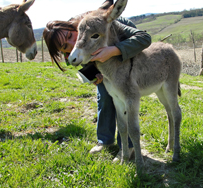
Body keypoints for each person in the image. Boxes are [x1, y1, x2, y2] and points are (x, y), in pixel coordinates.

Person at [43, 11, 151, 162]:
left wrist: (113, 51)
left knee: (125, 102)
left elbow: (143, 39)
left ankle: (127, 147)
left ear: (73, 26)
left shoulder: (105, 23)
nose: (73, 43)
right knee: (104, 98)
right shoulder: (74, 50)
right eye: (65, 46)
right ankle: (105, 141)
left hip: (129, 58)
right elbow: (84, 61)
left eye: (69, 36)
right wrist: (94, 73)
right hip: (108, 68)